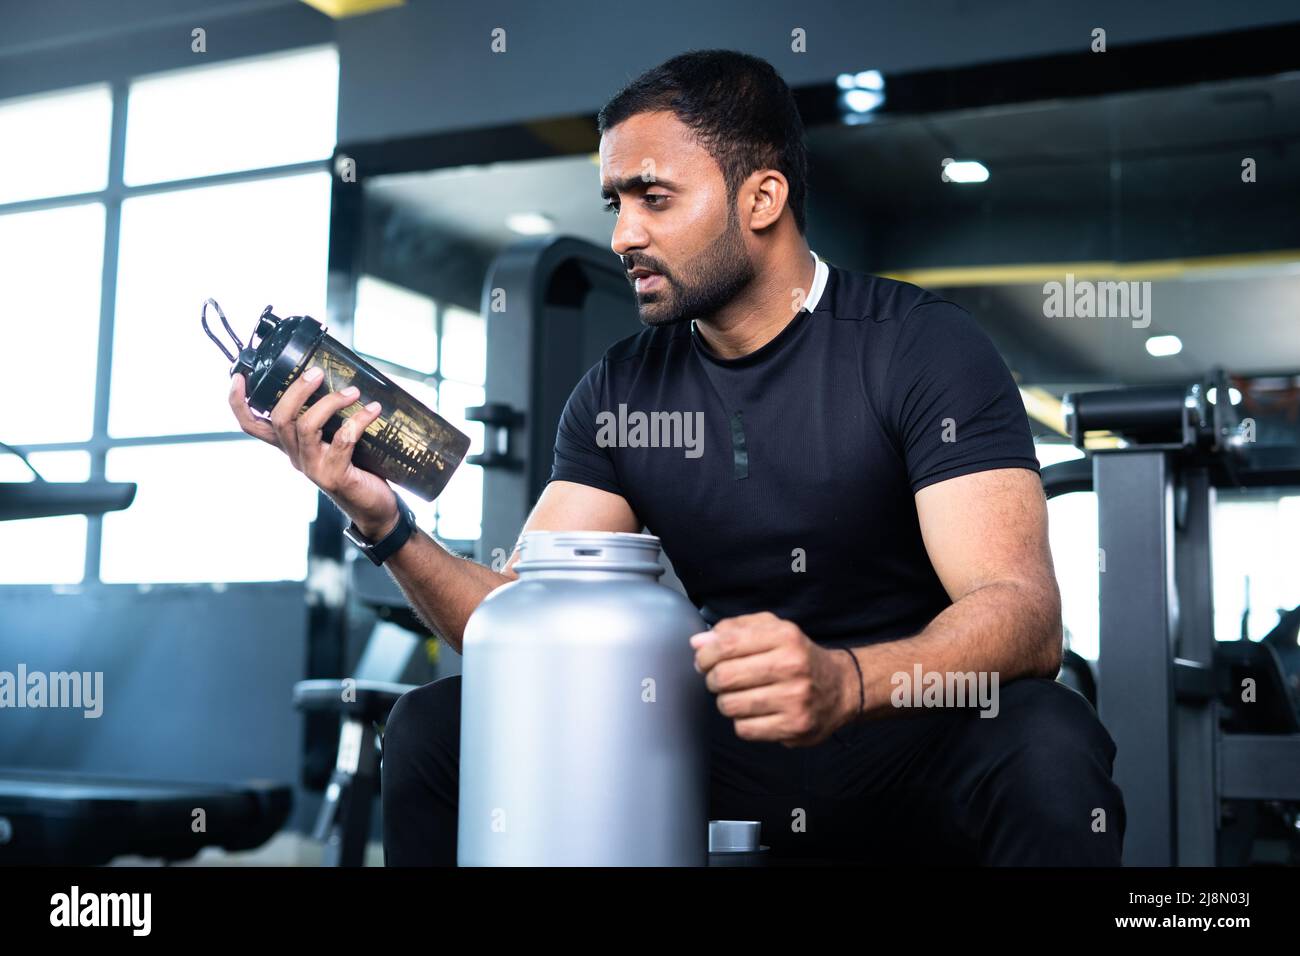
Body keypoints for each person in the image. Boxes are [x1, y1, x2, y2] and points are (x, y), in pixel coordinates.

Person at [229, 49, 1124, 866]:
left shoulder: (919, 348)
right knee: (437, 727)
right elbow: (520, 627)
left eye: (654, 197)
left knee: (1047, 739)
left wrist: (845, 682)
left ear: (761, 199)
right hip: (730, 737)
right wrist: (381, 519)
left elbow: (1024, 618)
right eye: (615, 201)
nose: (623, 234)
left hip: (912, 726)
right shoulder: (622, 390)